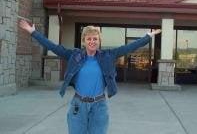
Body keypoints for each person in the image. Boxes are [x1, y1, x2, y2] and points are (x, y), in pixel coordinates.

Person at [19, 20, 161, 134]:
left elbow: (129, 48)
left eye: (95, 38)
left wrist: (147, 37)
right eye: (89, 38)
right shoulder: (74, 55)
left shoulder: (108, 55)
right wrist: (33, 32)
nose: (92, 41)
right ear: (84, 41)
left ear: (99, 41)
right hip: (78, 105)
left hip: (99, 106)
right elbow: (54, 47)